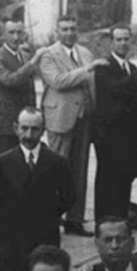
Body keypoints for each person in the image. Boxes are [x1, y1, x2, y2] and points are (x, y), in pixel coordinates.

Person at [0, 108, 75, 271]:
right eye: (24, 128)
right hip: (11, 244)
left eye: (35, 129)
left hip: (44, 239)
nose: (29, 134)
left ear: (43, 130)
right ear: (15, 128)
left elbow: (69, 197)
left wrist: (48, 214)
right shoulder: (2, 162)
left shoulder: (57, 162)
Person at [38, 14, 104, 236]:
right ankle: (49, 217)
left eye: (73, 28)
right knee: (55, 168)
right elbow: (58, 81)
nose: (69, 33)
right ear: (57, 32)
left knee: (80, 169)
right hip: (60, 117)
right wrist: (88, 70)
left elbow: (93, 85)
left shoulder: (85, 53)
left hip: (84, 117)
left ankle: (75, 219)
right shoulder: (48, 55)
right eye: (64, 29)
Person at [92, 24, 137, 221]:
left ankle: (121, 221)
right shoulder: (104, 66)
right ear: (111, 42)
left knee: (125, 180)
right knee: (108, 181)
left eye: (126, 39)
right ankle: (103, 223)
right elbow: (114, 90)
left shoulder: (132, 68)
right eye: (118, 40)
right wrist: (136, 78)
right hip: (109, 136)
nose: (123, 43)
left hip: (129, 137)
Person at [0, 20, 45, 157]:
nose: (16, 37)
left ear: (24, 35)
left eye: (19, 32)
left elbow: (30, 88)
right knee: (4, 164)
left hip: (26, 123)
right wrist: (33, 62)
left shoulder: (25, 56)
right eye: (11, 32)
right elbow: (10, 80)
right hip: (5, 123)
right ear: (3, 36)